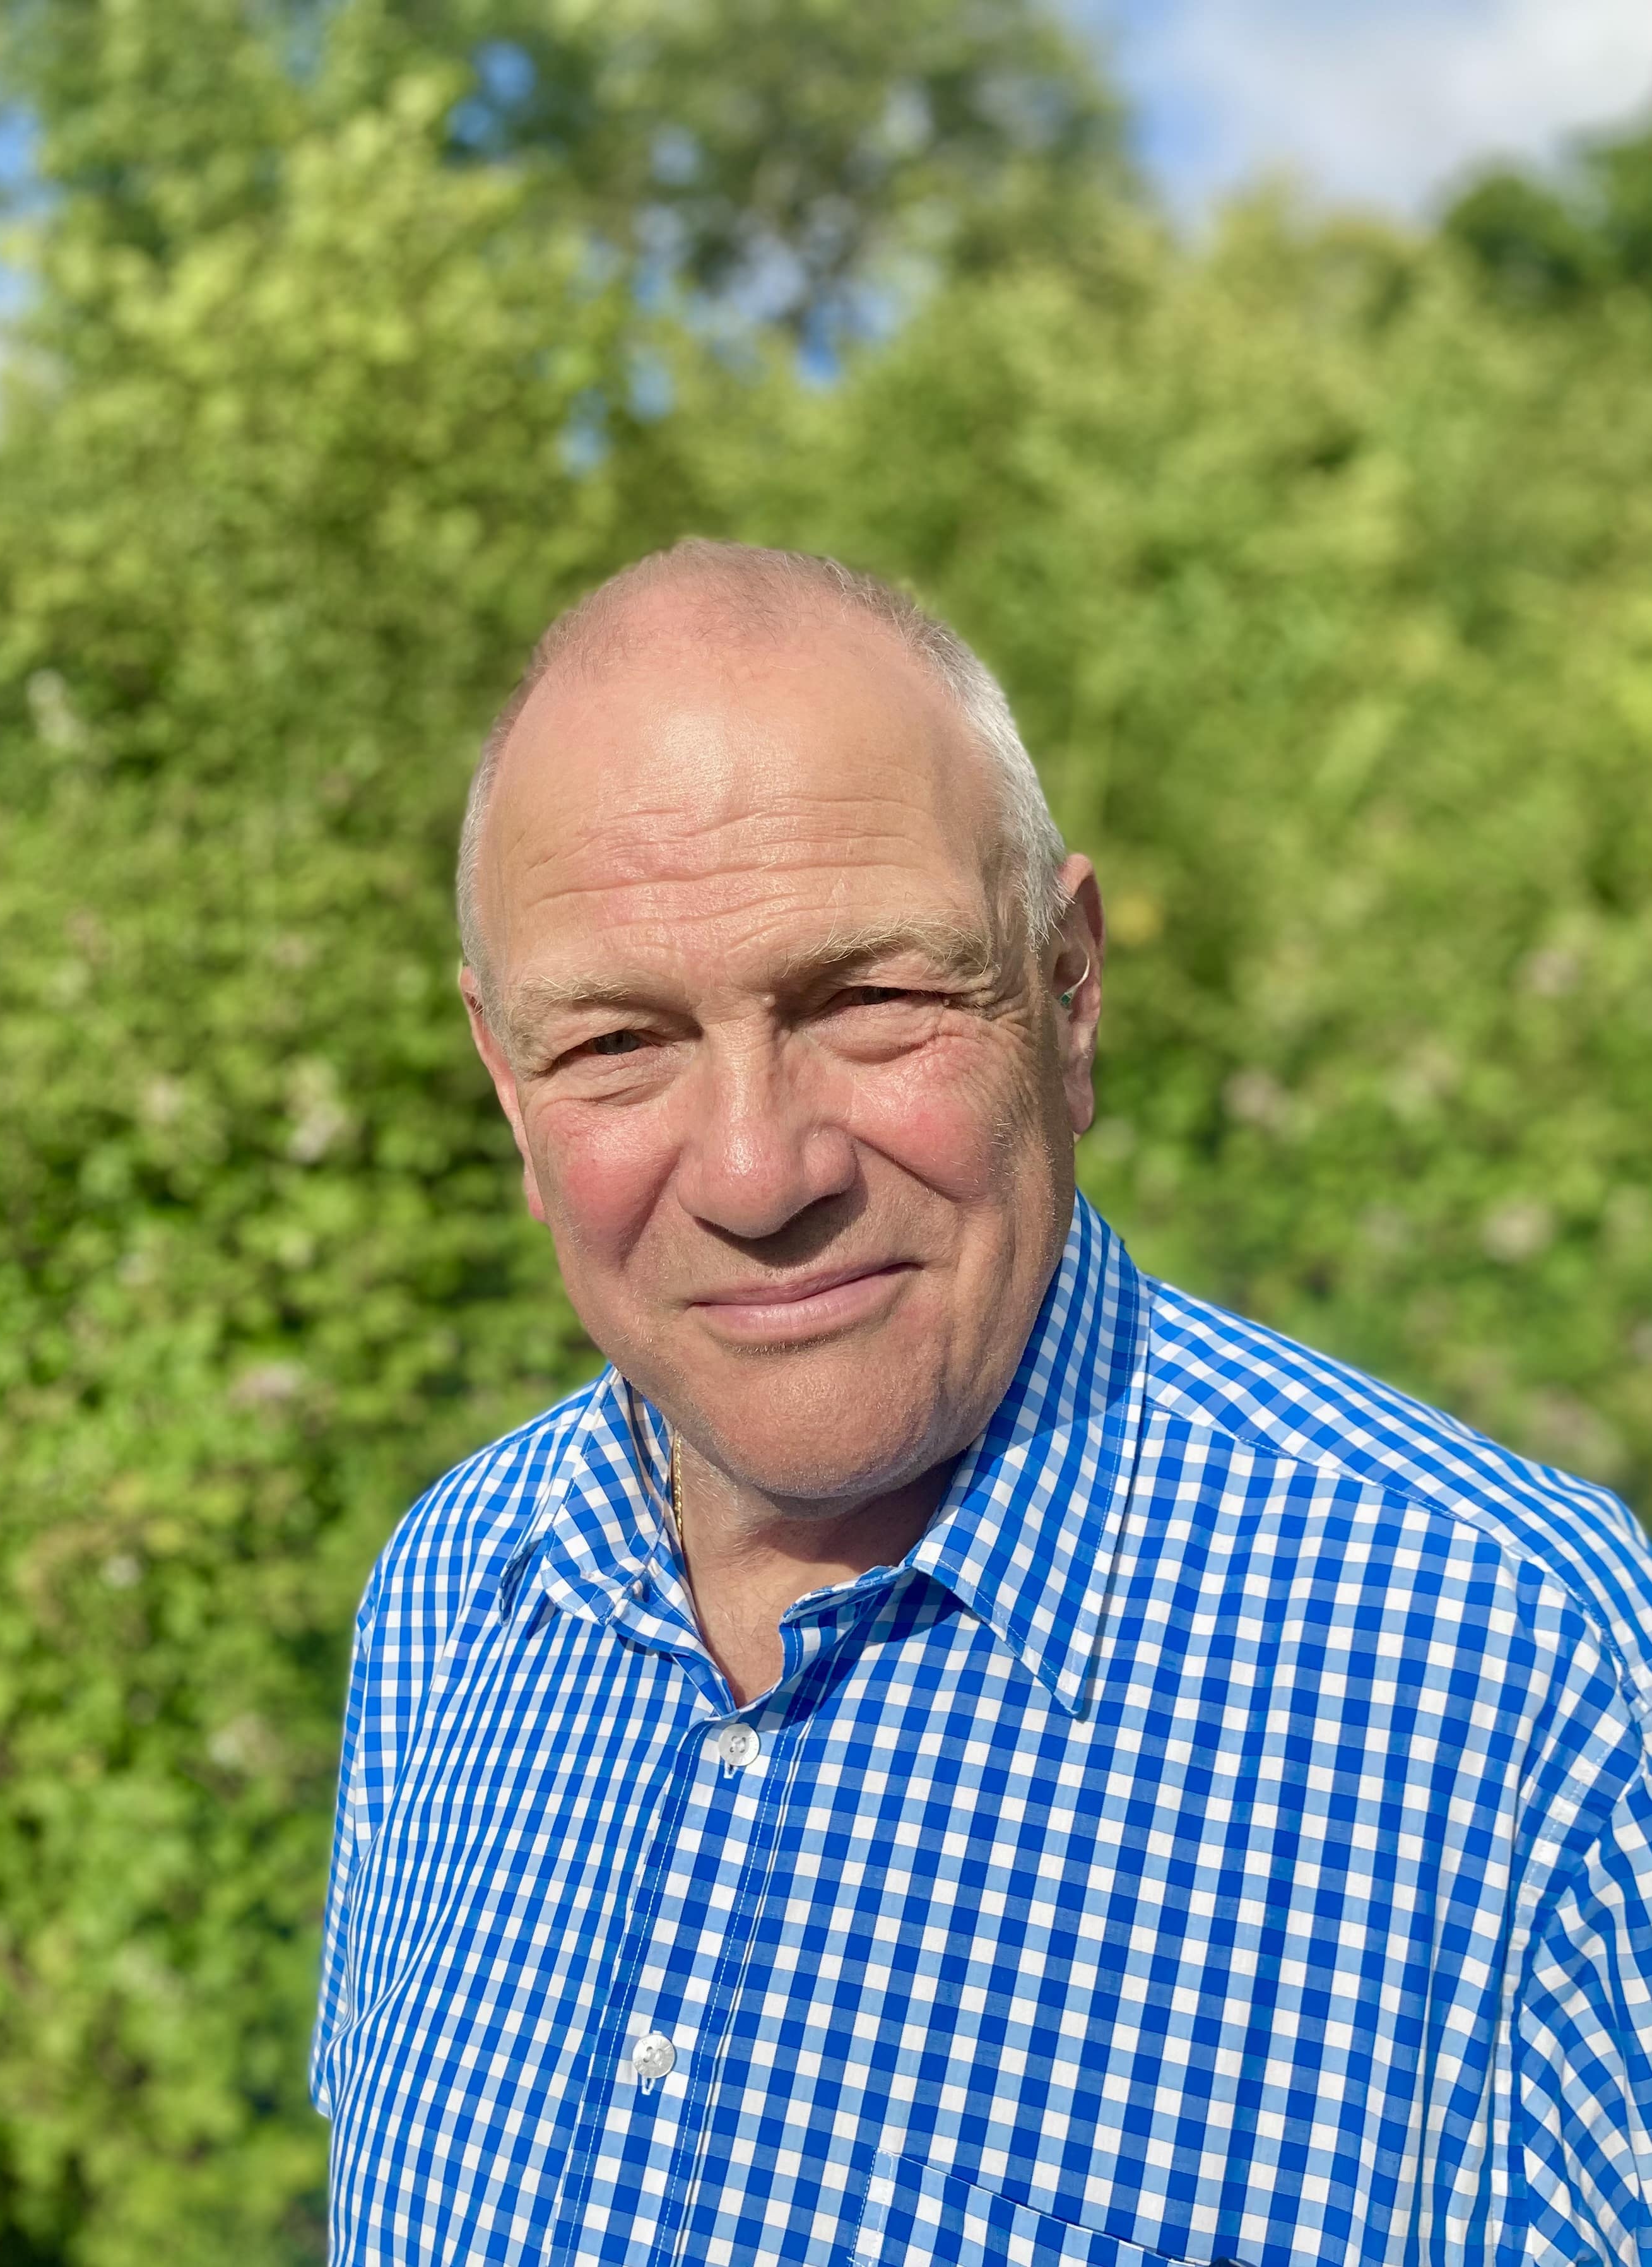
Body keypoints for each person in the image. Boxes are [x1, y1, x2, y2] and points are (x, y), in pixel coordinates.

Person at [312, 540, 1652, 2267]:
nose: (753, 1168)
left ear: (1069, 992)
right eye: (617, 1043)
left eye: (867, 1000)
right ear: (508, 1084)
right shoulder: (453, 1593)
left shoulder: (1530, 1689)